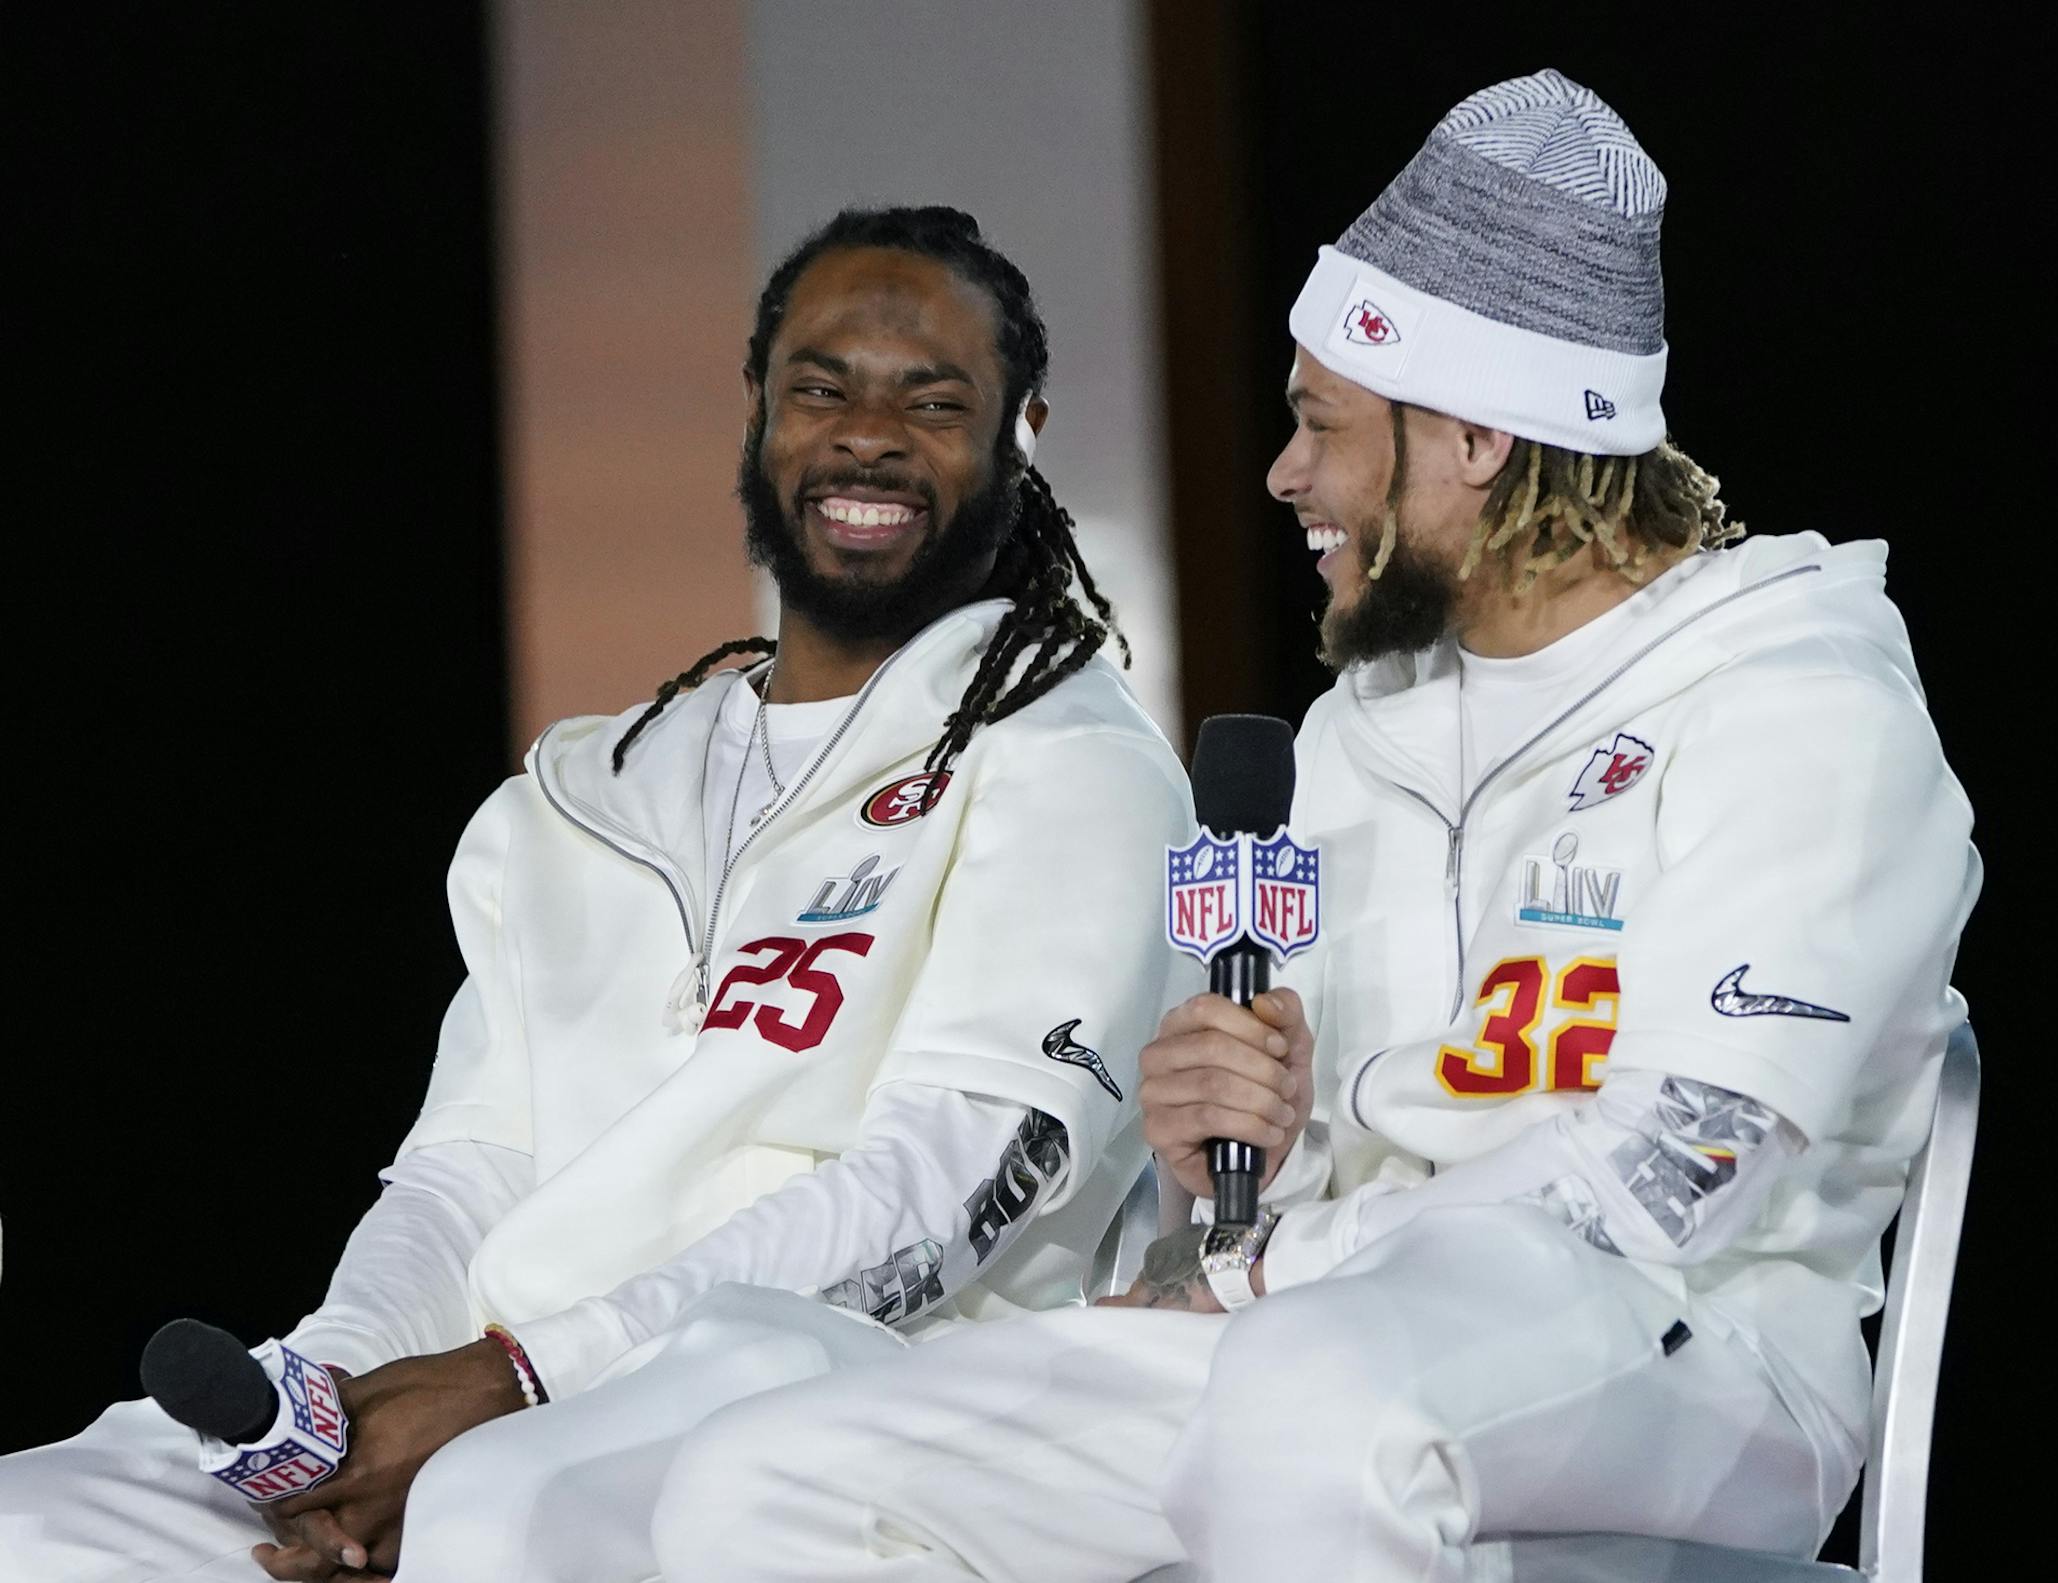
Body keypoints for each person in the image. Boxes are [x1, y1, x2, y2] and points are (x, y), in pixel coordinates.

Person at [642, 71, 1982, 1581]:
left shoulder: (1799, 699)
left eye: (1322, 425)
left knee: (1312, 1402)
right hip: (1330, 1326)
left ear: (1473, 437)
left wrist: (1284, 1265)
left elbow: (1681, 1167)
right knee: (774, 1477)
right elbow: (1285, 1198)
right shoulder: (1352, 738)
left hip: (1704, 1348)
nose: (1285, 475)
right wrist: (1235, 1158)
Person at [0, 205, 1193, 1583]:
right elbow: (468, 1166)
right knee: (42, 1529)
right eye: (822, 388)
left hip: (836, 1378)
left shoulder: (1071, 760)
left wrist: (527, 1379)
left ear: (1021, 432)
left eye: (933, 403)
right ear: (758, 409)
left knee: (500, 1515)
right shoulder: (589, 792)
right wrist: (340, 1410)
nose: (867, 435)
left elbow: (962, 1170)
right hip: (500, 1382)